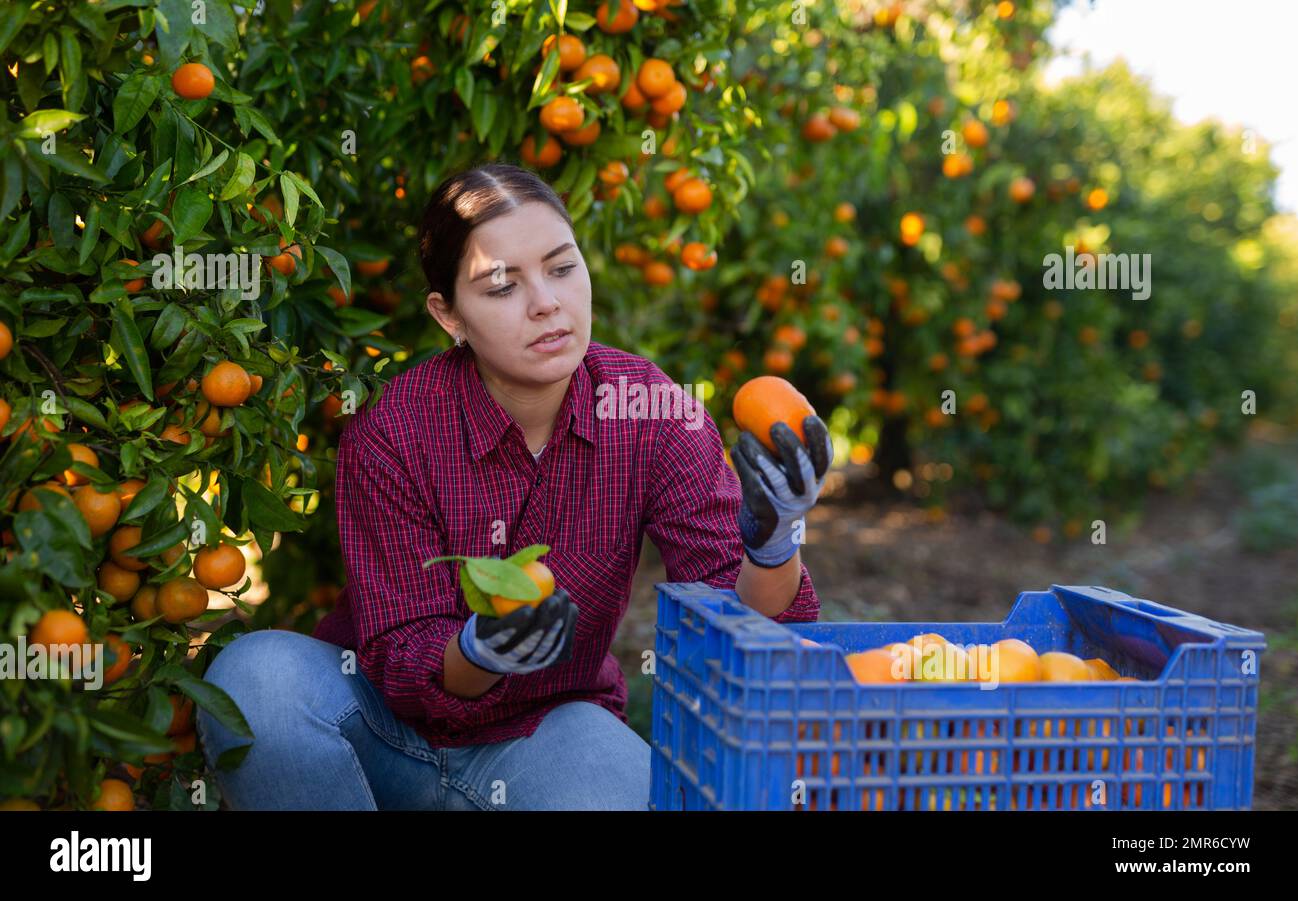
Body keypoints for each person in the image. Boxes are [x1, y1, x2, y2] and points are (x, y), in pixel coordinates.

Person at [196, 162, 833, 810]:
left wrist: (774, 543)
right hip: (376, 727)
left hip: (549, 734)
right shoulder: (393, 433)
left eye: (561, 267)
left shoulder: (648, 410)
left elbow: (743, 627)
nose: (546, 303)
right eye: (502, 285)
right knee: (256, 682)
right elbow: (404, 658)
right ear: (449, 315)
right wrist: (481, 651)